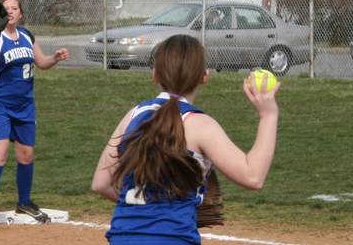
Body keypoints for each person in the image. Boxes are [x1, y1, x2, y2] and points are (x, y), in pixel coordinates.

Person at [92, 34, 280, 244]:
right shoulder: (201, 125)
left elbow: (101, 184)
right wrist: (268, 115)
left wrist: (147, 204)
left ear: (155, 75)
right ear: (204, 76)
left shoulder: (133, 115)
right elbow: (253, 177)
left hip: (122, 237)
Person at [0, 0, 69, 228]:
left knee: (26, 156)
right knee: (0, 154)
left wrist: (55, 58)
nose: (10, 12)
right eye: (6, 9)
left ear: (20, 14)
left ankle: (24, 202)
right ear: (1, 15)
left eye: (14, 8)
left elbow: (41, 61)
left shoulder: (27, 35)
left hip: (25, 106)